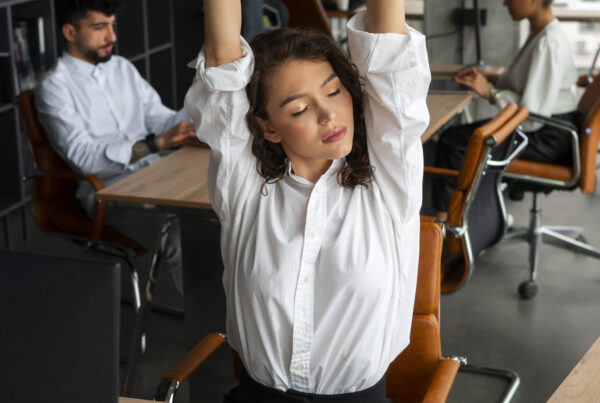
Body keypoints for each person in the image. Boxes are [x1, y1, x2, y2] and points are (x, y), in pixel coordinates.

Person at [185, 0, 430, 401]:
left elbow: (390, 52)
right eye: (299, 109)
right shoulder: (244, 190)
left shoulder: (390, 181)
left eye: (334, 91)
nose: (328, 115)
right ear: (268, 127)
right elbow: (222, 63)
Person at [35, 0, 196, 294]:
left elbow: (163, 120)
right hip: (110, 196)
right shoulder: (54, 87)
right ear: (70, 32)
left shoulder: (122, 68)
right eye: (100, 28)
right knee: (178, 235)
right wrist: (155, 144)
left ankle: (229, 314)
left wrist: (202, 98)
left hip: (157, 176)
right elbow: (85, 159)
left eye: (112, 26)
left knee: (219, 210)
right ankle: (209, 332)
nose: (112, 37)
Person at [432, 0, 579, 218]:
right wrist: (490, 77)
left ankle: (444, 225)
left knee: (453, 143)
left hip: (547, 138)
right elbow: (524, 83)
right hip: (544, 130)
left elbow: (532, 118)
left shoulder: (549, 42)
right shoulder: (540, 32)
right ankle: (470, 215)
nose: (504, 2)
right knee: (457, 138)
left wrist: (490, 93)